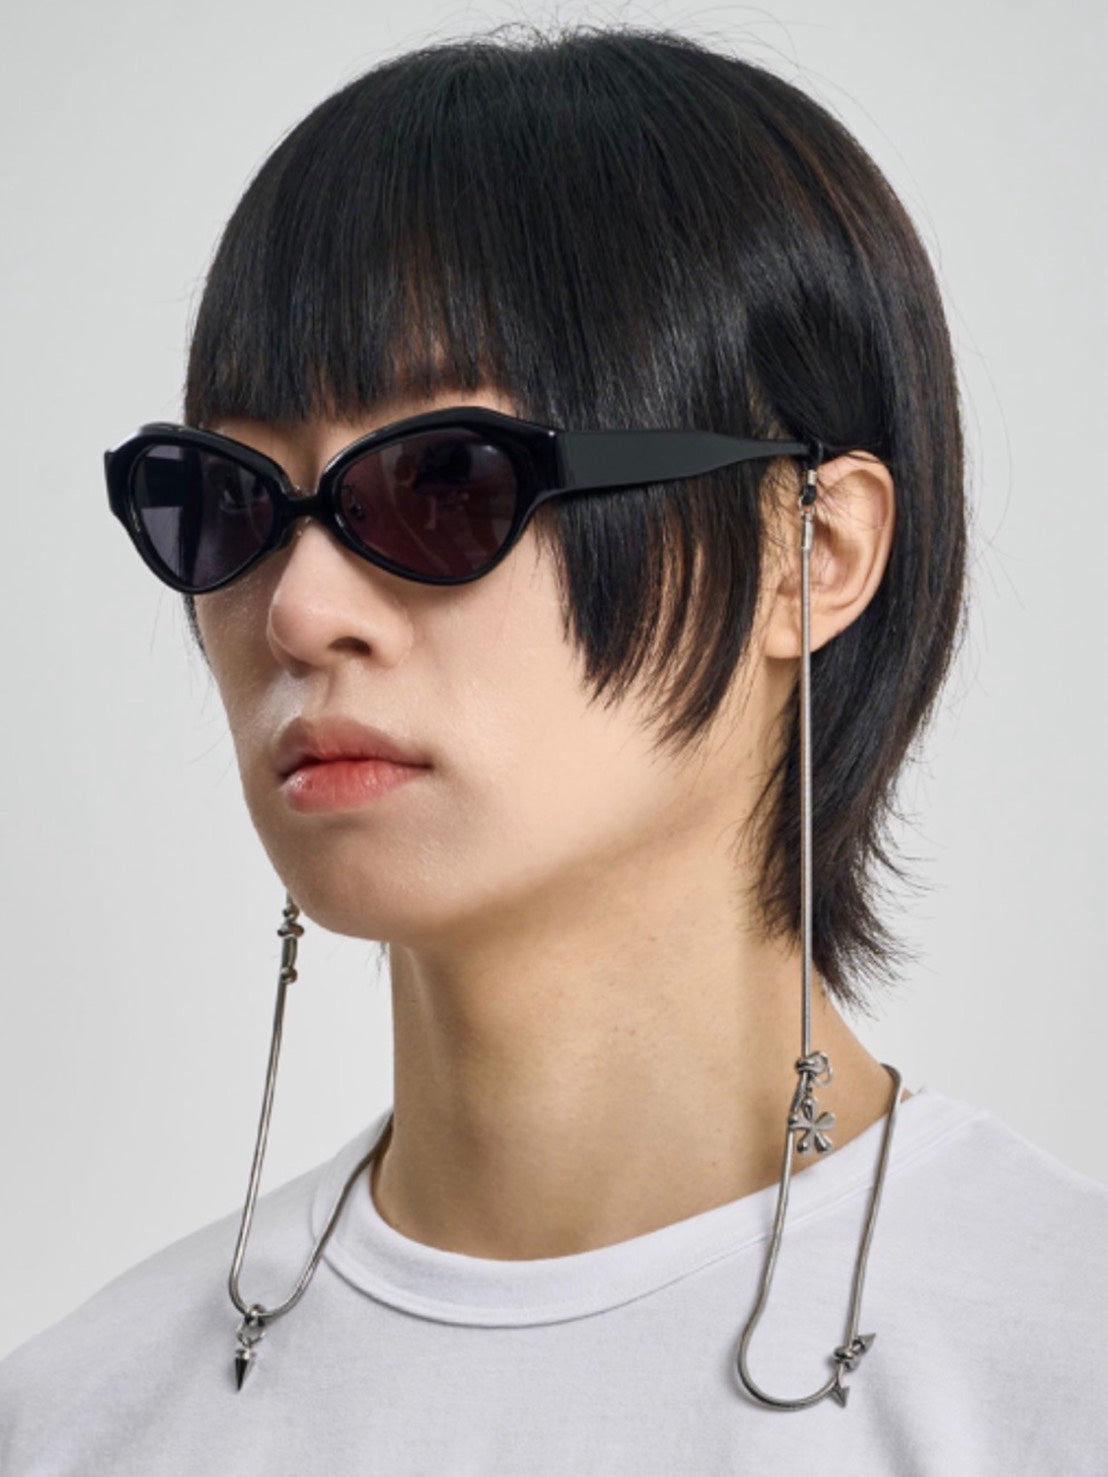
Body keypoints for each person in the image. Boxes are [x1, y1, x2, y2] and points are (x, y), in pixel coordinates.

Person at [2, 21, 1105, 1474]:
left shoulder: (1053, 1383)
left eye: (443, 480)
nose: (299, 609)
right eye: (229, 499)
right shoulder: (75, 1421)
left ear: (812, 550)